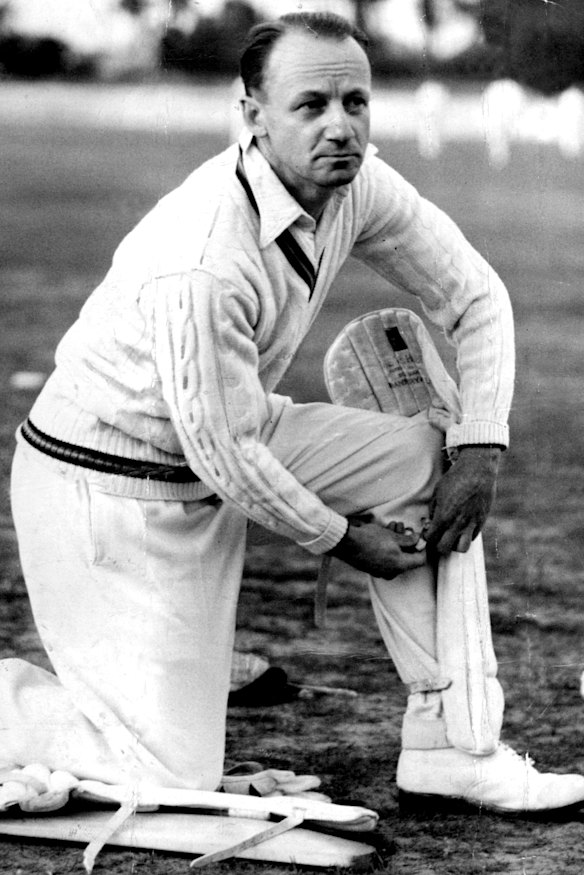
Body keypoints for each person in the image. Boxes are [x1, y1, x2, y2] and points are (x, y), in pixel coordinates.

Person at [5, 11, 584, 813]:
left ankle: (448, 743)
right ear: (253, 117)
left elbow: (477, 295)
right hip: (106, 490)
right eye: (311, 106)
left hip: (231, 440)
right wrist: (344, 538)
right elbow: (222, 451)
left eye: (356, 102)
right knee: (169, 774)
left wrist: (481, 445)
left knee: (424, 455)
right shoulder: (205, 255)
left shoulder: (360, 182)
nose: (340, 127)